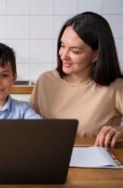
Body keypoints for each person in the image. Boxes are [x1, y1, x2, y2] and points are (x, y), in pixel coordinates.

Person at [29, 12, 123, 149]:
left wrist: (121, 131)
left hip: (95, 166)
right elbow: (28, 126)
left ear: (95, 55)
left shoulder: (116, 87)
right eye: (62, 45)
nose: (64, 55)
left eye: (75, 51)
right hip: (47, 160)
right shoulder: (45, 81)